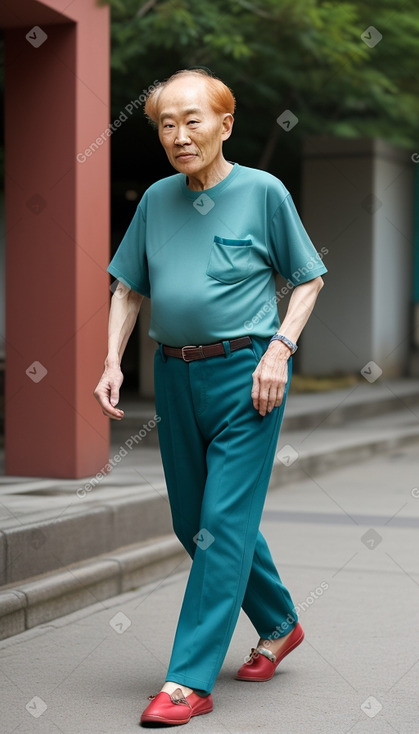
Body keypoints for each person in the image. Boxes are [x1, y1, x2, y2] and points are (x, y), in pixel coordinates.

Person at [93, 68, 327, 727]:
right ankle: (280, 623)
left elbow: (307, 278)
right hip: (174, 374)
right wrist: (111, 359)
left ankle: (187, 681)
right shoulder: (157, 201)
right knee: (190, 521)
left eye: (192, 120)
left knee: (220, 528)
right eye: (166, 124)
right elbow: (128, 289)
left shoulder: (263, 193)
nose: (178, 135)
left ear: (224, 125)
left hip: (248, 375)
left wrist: (279, 349)